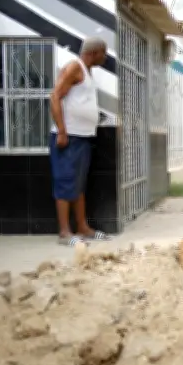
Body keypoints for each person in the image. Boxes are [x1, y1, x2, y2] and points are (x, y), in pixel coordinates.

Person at [49, 37, 112, 247]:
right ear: (94, 53)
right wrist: (61, 131)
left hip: (83, 136)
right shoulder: (74, 68)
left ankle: (82, 228)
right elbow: (55, 97)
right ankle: (65, 232)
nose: (105, 57)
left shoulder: (86, 71)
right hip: (70, 136)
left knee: (78, 184)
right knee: (65, 182)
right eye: (103, 53)